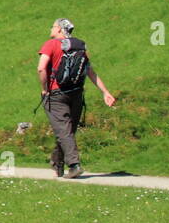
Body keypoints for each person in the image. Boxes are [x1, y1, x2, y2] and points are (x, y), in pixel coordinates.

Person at [37, 18, 117, 178]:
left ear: (59, 29)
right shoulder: (79, 46)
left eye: (52, 26)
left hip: (56, 94)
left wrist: (45, 89)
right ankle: (57, 163)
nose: (51, 30)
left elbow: (41, 68)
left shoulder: (50, 44)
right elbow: (89, 71)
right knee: (67, 131)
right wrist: (105, 92)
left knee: (64, 131)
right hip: (76, 92)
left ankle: (74, 165)